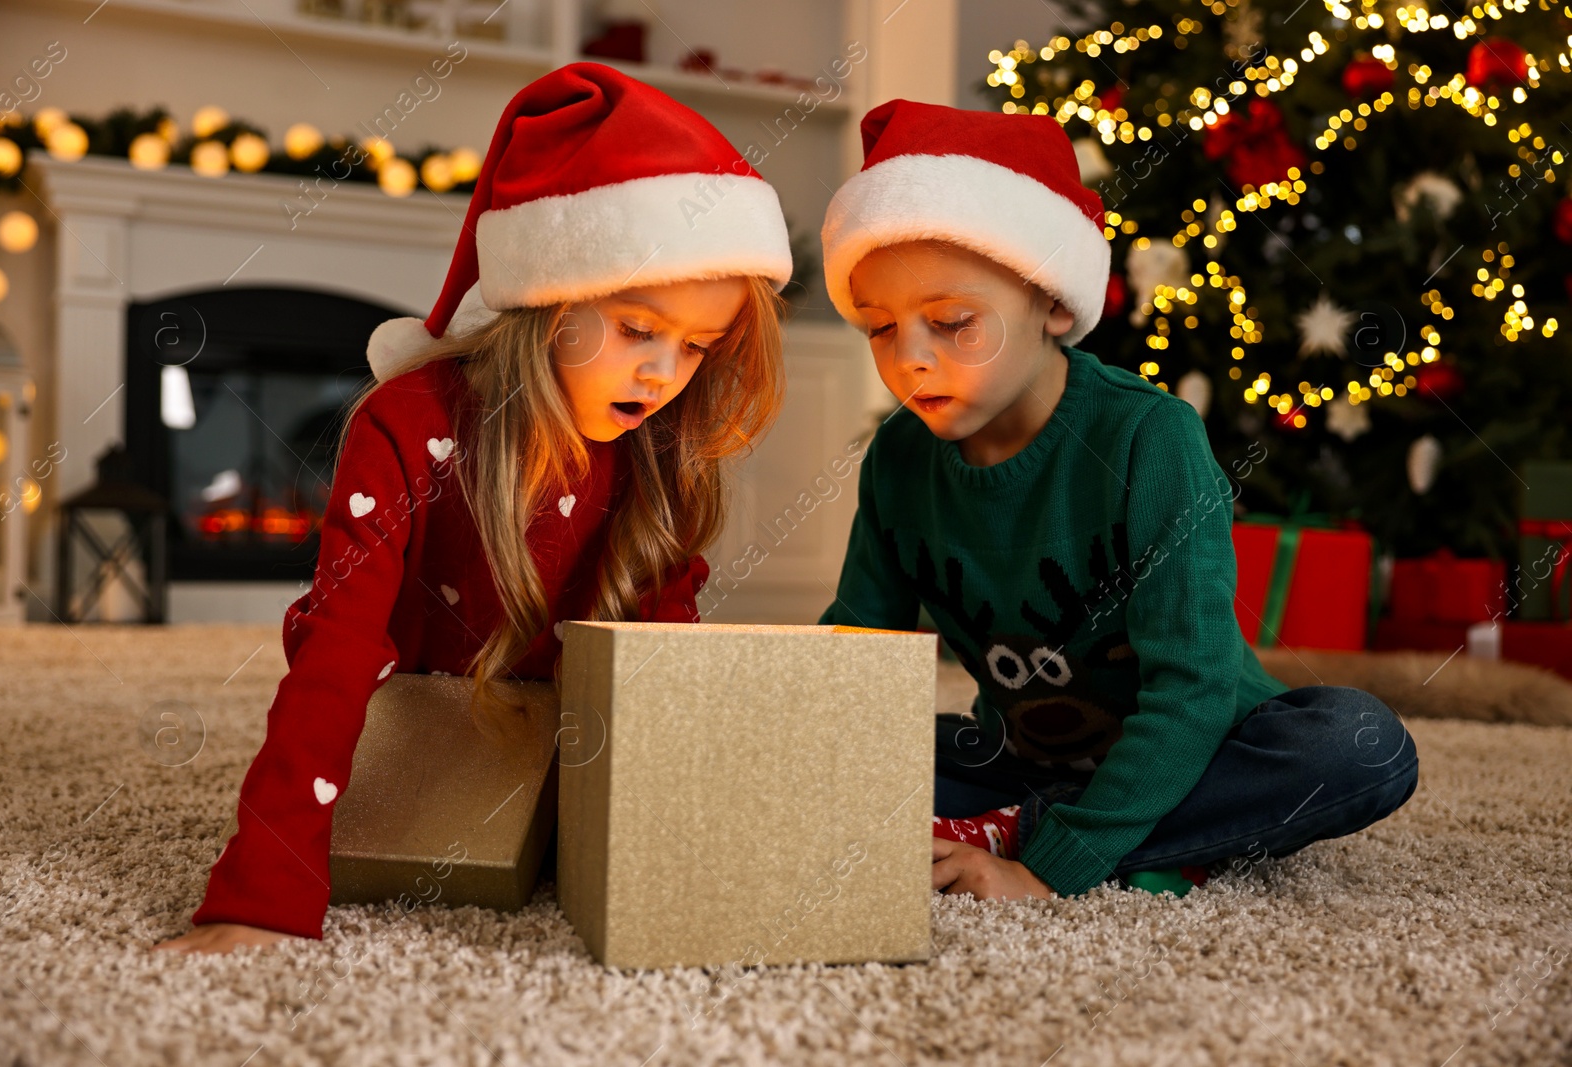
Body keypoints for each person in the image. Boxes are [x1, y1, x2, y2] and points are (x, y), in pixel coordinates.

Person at [154, 62, 793, 954]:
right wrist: (261, 891)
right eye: (639, 328)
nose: (663, 374)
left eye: (696, 347)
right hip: (422, 742)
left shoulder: (655, 446)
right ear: (546, 296)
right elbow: (336, 654)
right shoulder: (408, 424)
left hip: (565, 750)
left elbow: (660, 671)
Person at [815, 97, 1418, 903]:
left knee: (1360, 743)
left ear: (1055, 304)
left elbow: (1193, 689)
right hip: (1023, 753)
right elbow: (854, 657)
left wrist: (1045, 866)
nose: (910, 359)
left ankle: (1032, 829)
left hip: (1206, 742)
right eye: (881, 329)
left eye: (953, 321)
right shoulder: (898, 458)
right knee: (831, 758)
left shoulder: (1150, 438)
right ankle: (1129, 835)